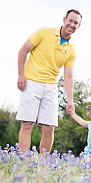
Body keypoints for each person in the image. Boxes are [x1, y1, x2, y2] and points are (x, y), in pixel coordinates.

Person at [16, 9, 82, 154]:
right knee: (27, 123)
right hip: (31, 82)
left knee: (49, 127)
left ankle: (43, 164)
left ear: (78, 27)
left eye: (76, 23)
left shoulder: (72, 50)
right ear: (64, 20)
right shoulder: (44, 32)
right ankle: (23, 162)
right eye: (70, 20)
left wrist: (70, 100)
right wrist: (21, 75)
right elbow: (23, 51)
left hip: (51, 86)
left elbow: (68, 76)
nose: (72, 24)